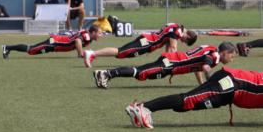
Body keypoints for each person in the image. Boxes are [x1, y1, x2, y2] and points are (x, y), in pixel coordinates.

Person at [125, 67, 263, 130]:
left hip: (231, 93)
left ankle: (140, 108)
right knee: (188, 99)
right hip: (231, 83)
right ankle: (145, 108)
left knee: (188, 105)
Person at [94, 42, 237, 89]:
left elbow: (198, 66)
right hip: (170, 64)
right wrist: (212, 82)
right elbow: (205, 67)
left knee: (141, 73)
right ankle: (106, 74)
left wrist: (201, 84)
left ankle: (106, 75)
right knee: (140, 72)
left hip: (171, 63)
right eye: (231, 56)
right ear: (225, 53)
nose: (231, 59)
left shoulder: (210, 48)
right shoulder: (215, 56)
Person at [82, 22, 197, 67]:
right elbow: (173, 48)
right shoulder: (178, 31)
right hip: (146, 42)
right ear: (188, 36)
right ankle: (92, 53)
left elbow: (168, 46)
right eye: (185, 41)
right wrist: (173, 64)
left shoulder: (175, 25)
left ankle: (92, 54)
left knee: (121, 52)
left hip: (146, 41)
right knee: (120, 51)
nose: (182, 41)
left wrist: (166, 61)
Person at [2, 26, 101, 59]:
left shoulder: (88, 36)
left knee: (31, 51)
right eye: (99, 33)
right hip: (54, 43)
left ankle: (8, 48)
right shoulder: (87, 36)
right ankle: (7, 48)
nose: (100, 35)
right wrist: (80, 54)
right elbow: (78, 40)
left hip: (54, 46)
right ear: (93, 32)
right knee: (30, 49)